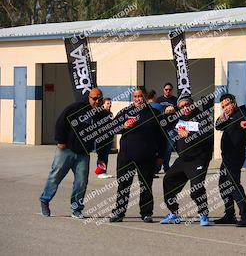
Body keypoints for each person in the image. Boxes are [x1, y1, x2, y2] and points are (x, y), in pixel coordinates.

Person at [39, 88, 111, 219]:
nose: (97, 101)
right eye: (94, 98)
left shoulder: (102, 116)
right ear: (89, 98)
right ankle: (45, 200)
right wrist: (60, 140)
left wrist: (102, 158)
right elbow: (61, 122)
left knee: (81, 182)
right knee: (55, 176)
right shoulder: (76, 108)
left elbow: (105, 139)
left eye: (99, 99)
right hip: (66, 150)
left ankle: (76, 208)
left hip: (83, 153)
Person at [109, 89, 165, 223]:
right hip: (126, 156)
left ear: (145, 98)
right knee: (123, 185)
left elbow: (162, 137)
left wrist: (161, 156)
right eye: (135, 96)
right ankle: (119, 213)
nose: (138, 99)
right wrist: (123, 126)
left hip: (147, 156)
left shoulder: (154, 113)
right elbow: (112, 128)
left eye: (140, 96)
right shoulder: (125, 112)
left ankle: (146, 213)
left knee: (146, 185)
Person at [160, 94, 213, 226]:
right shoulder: (177, 117)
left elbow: (208, 136)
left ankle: (203, 214)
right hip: (183, 159)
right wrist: (166, 114)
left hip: (198, 159)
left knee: (196, 189)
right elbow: (163, 125)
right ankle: (173, 213)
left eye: (187, 104)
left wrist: (190, 135)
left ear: (192, 103)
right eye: (182, 106)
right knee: (168, 181)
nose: (185, 108)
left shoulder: (202, 117)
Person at [214, 94, 246, 227]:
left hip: (235, 158)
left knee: (234, 185)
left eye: (227, 105)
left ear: (233, 103)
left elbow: (244, 121)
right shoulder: (228, 116)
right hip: (227, 158)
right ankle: (229, 214)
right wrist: (224, 115)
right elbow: (217, 126)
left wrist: (244, 124)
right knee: (223, 184)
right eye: (223, 106)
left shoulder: (241, 114)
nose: (225, 108)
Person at [156, 82, 178, 173]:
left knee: (168, 149)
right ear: (163, 90)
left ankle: (166, 167)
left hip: (172, 128)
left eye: (170, 89)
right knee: (159, 148)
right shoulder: (159, 100)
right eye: (166, 89)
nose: (168, 91)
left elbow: (179, 112)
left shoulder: (175, 100)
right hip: (161, 129)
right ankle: (157, 167)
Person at [95, 97, 114, 179]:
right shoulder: (100, 114)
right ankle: (100, 172)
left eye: (110, 103)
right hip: (102, 138)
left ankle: (104, 171)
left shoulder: (110, 114)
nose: (109, 105)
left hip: (109, 138)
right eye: (107, 103)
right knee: (101, 155)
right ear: (103, 104)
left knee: (105, 155)